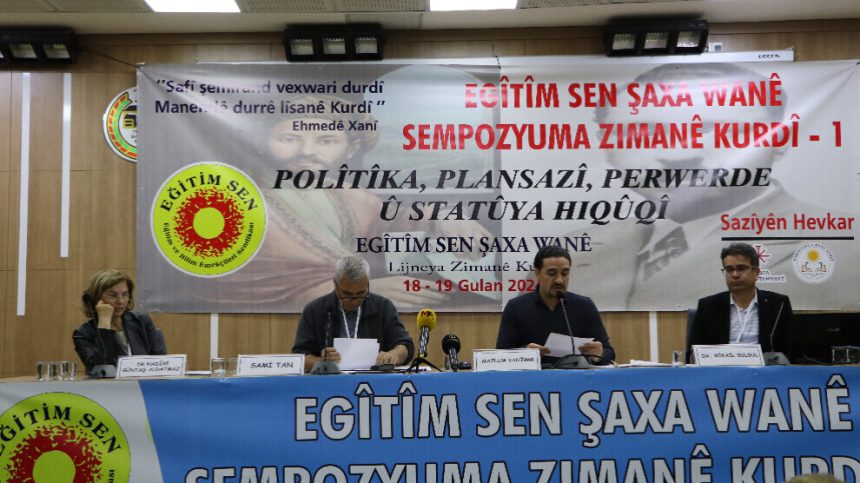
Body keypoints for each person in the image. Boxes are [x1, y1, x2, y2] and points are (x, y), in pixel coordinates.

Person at [571, 62, 859, 311]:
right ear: (606, 145)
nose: (679, 155)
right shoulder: (575, 250)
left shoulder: (848, 245)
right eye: (645, 132)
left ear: (779, 140)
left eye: (712, 130)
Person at [495, 246, 615, 365]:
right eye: (551, 273)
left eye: (565, 273)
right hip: (533, 376)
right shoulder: (516, 307)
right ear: (538, 273)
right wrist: (525, 354)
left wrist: (599, 354)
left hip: (575, 376)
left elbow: (609, 353)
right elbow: (500, 356)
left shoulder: (585, 306)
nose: (559, 280)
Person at [292, 255, 415, 372]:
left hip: (375, 380)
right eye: (347, 294)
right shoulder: (315, 311)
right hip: (329, 381)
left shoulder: (383, 307)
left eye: (361, 293)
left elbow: (405, 345)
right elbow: (300, 358)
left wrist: (394, 355)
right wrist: (321, 361)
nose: (354, 301)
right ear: (335, 284)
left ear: (367, 284)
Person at [687, 242, 793, 360]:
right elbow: (693, 354)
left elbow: (788, 352)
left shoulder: (778, 304)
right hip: (720, 369)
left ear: (756, 272)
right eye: (729, 270)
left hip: (763, 369)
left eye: (741, 268)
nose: (735, 275)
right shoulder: (708, 306)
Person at [73, 270, 167, 375]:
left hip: (144, 383)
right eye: (113, 295)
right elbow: (100, 370)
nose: (120, 301)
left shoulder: (142, 322)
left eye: (125, 294)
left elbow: (161, 365)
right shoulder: (83, 334)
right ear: (95, 299)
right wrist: (104, 323)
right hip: (110, 385)